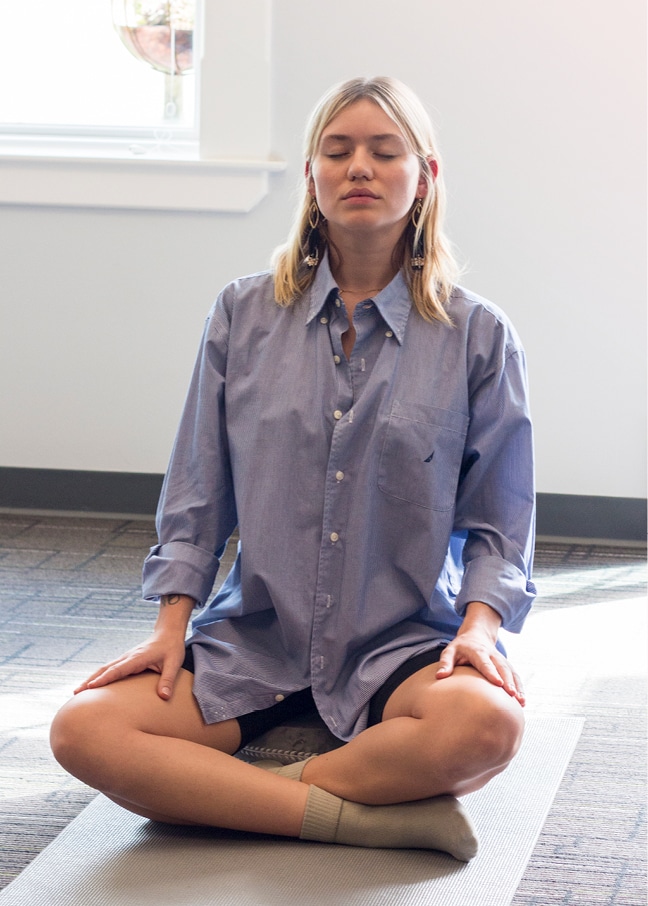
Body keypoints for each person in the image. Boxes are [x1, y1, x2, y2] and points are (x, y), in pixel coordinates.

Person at [50, 76, 536, 862]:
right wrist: (171, 627)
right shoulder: (241, 315)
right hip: (259, 636)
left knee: (487, 725)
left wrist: (481, 630)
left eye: (385, 151)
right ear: (311, 176)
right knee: (84, 730)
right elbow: (198, 491)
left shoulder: (479, 336)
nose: (359, 168)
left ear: (425, 177)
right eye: (337, 151)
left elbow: (498, 521)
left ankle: (235, 795)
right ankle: (360, 813)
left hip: (400, 642)